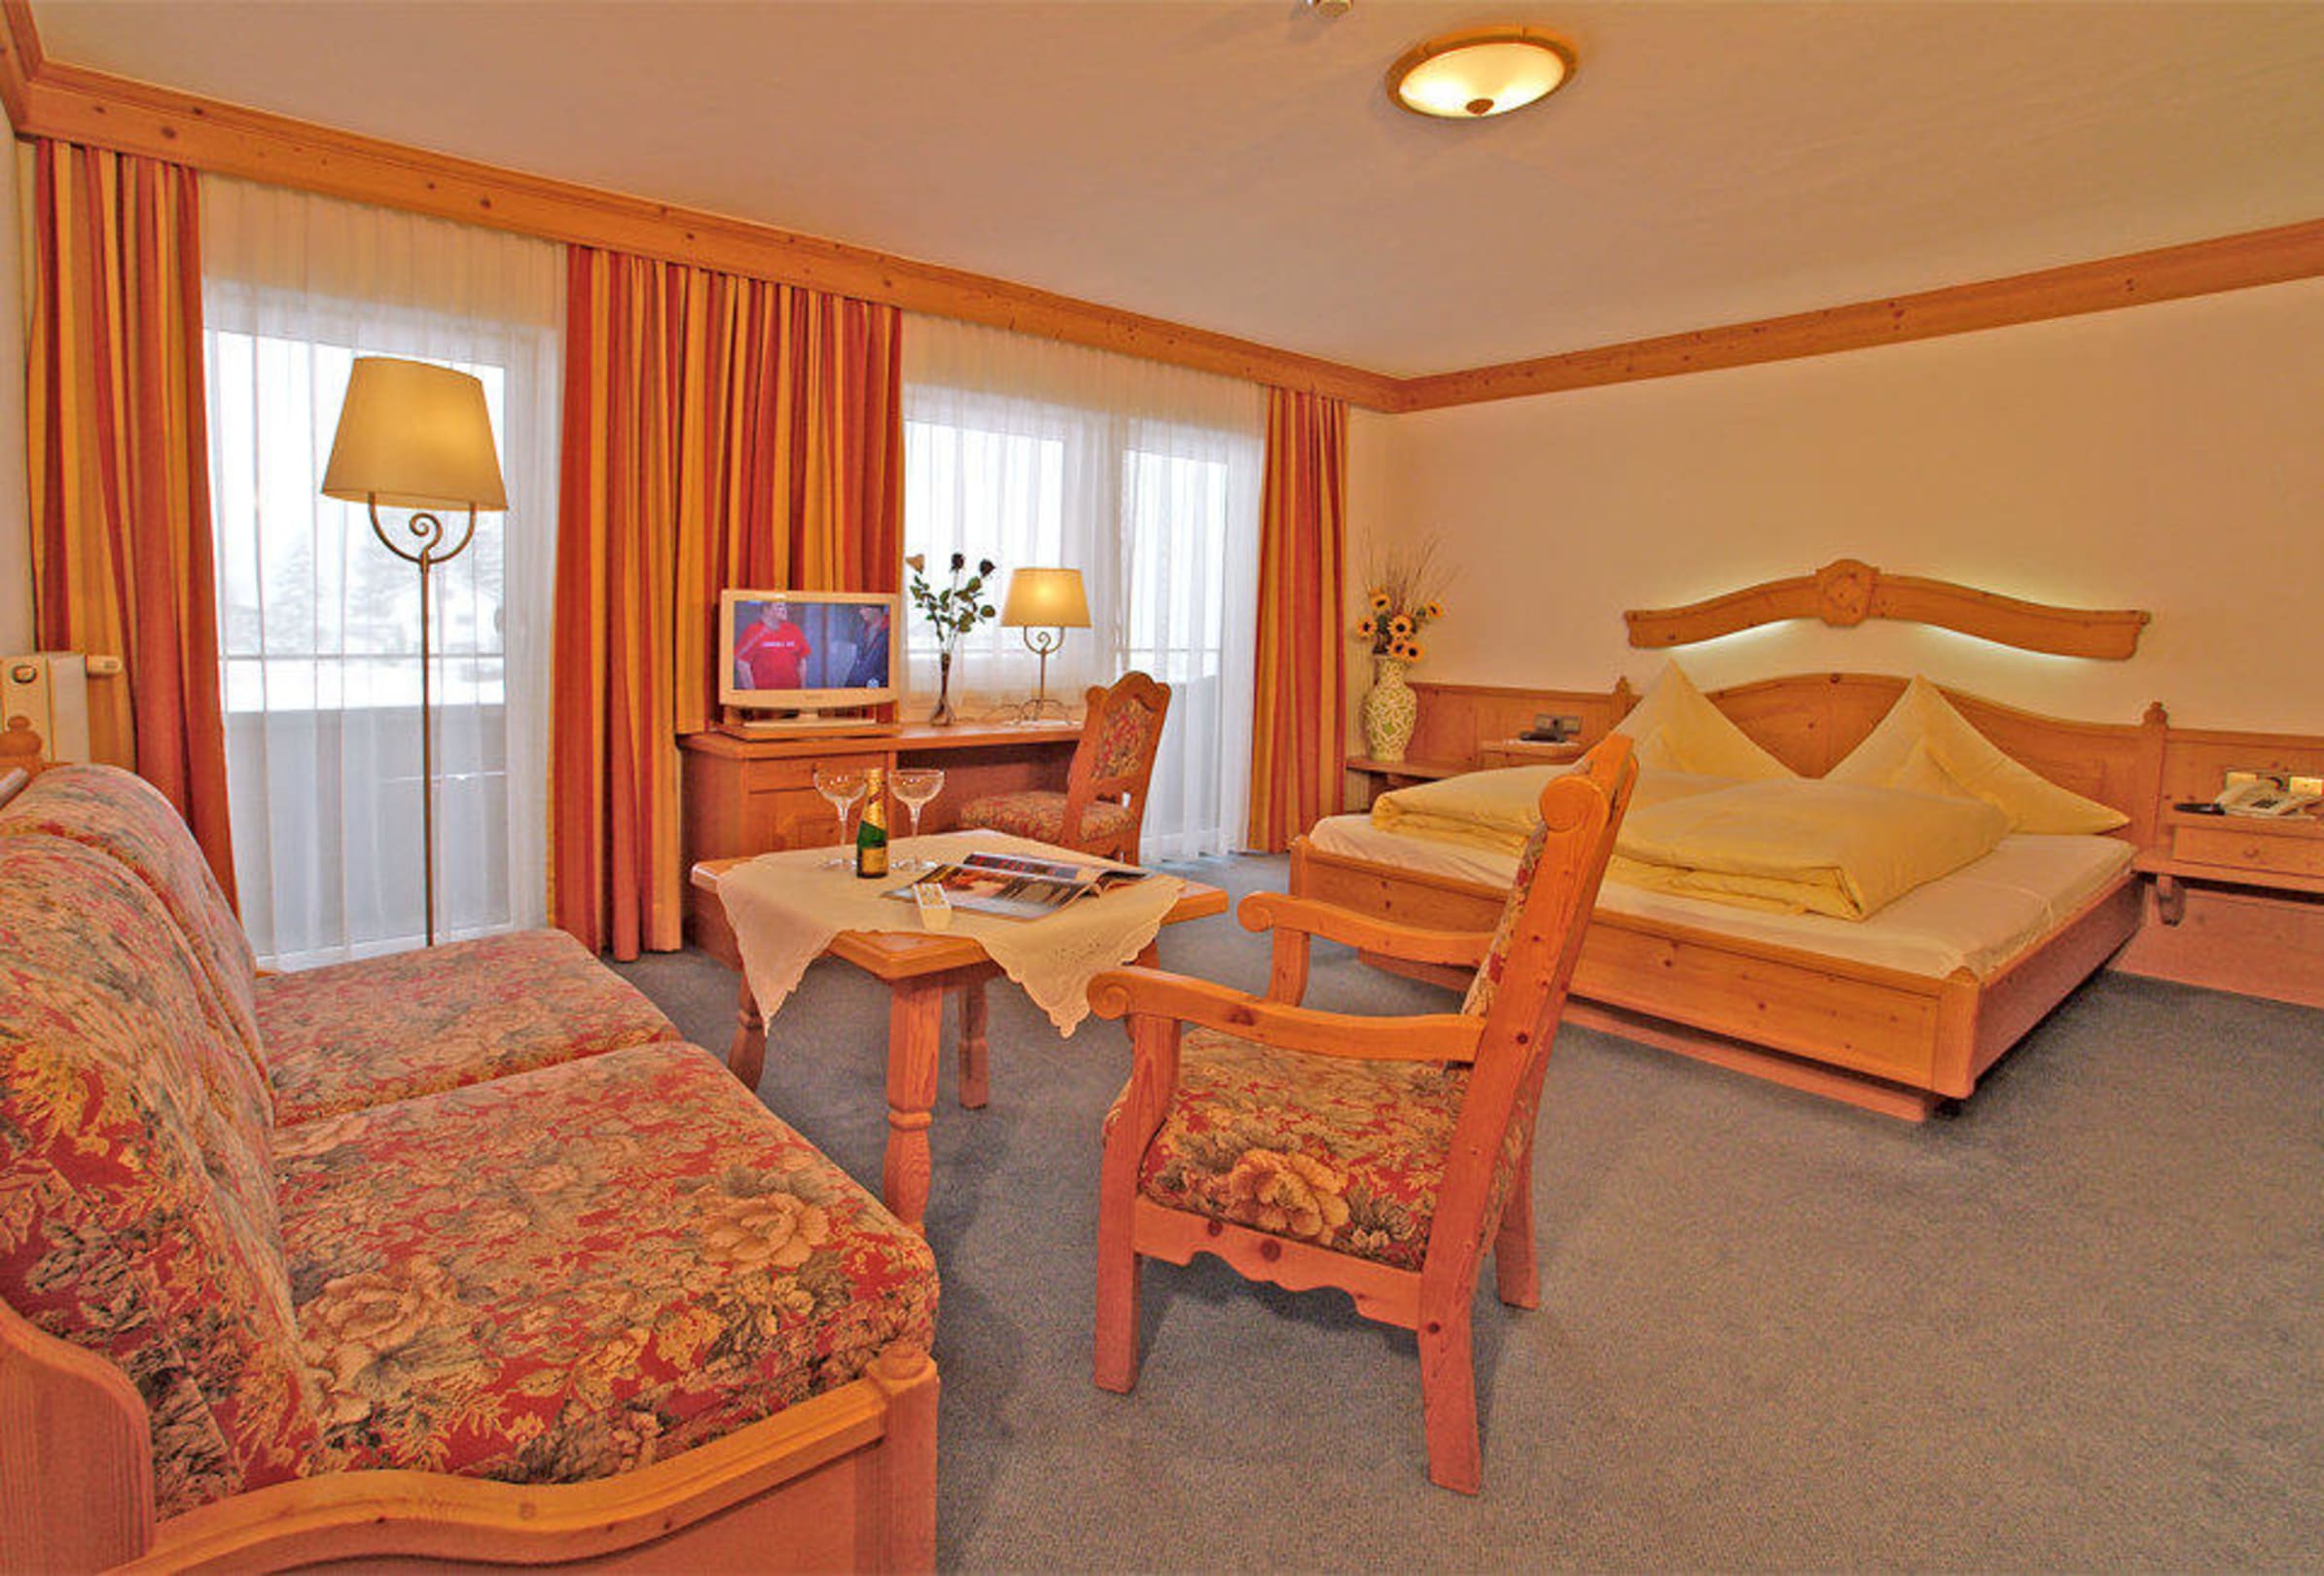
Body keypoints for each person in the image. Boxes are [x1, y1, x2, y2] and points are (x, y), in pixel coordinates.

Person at [733, 600, 810, 691]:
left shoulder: (794, 630)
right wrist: (752, 694)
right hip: (764, 695)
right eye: (779, 607)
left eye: (785, 607)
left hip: (792, 694)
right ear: (766, 609)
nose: (784, 610)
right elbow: (742, 663)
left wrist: (802, 690)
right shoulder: (752, 631)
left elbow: (802, 661)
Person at [843, 603, 892, 689]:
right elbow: (858, 662)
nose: (860, 612)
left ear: (875, 609)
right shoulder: (862, 629)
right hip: (857, 688)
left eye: (863, 608)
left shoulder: (891, 631)